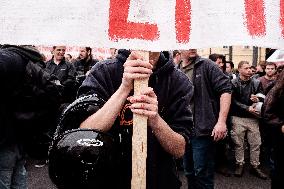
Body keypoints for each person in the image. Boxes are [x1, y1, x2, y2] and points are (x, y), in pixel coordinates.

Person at [77, 50, 194, 189]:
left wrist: (155, 120)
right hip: (107, 179)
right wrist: (124, 88)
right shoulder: (104, 71)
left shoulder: (177, 81)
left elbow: (179, 149)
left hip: (158, 180)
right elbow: (84, 130)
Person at [0, 45, 61, 188]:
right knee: (18, 177)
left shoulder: (7, 59)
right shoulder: (28, 61)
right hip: (21, 133)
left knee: (6, 177)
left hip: (7, 136)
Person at [178, 49, 232, 189]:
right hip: (184, 130)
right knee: (188, 171)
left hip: (202, 130)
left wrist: (221, 122)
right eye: (188, 44)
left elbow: (226, 90)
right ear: (179, 48)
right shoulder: (176, 68)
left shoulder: (207, 65)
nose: (193, 47)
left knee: (202, 173)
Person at [230, 61, 268, 179]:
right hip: (238, 117)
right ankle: (239, 164)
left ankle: (255, 166)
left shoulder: (256, 82)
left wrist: (257, 99)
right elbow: (232, 101)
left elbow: (262, 96)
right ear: (239, 69)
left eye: (250, 68)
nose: (249, 71)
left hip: (253, 118)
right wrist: (247, 108)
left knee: (255, 143)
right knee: (238, 143)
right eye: (246, 68)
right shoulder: (233, 82)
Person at [262, 69, 284, 189]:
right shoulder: (278, 88)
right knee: (279, 170)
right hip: (280, 137)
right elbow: (267, 111)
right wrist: (281, 125)